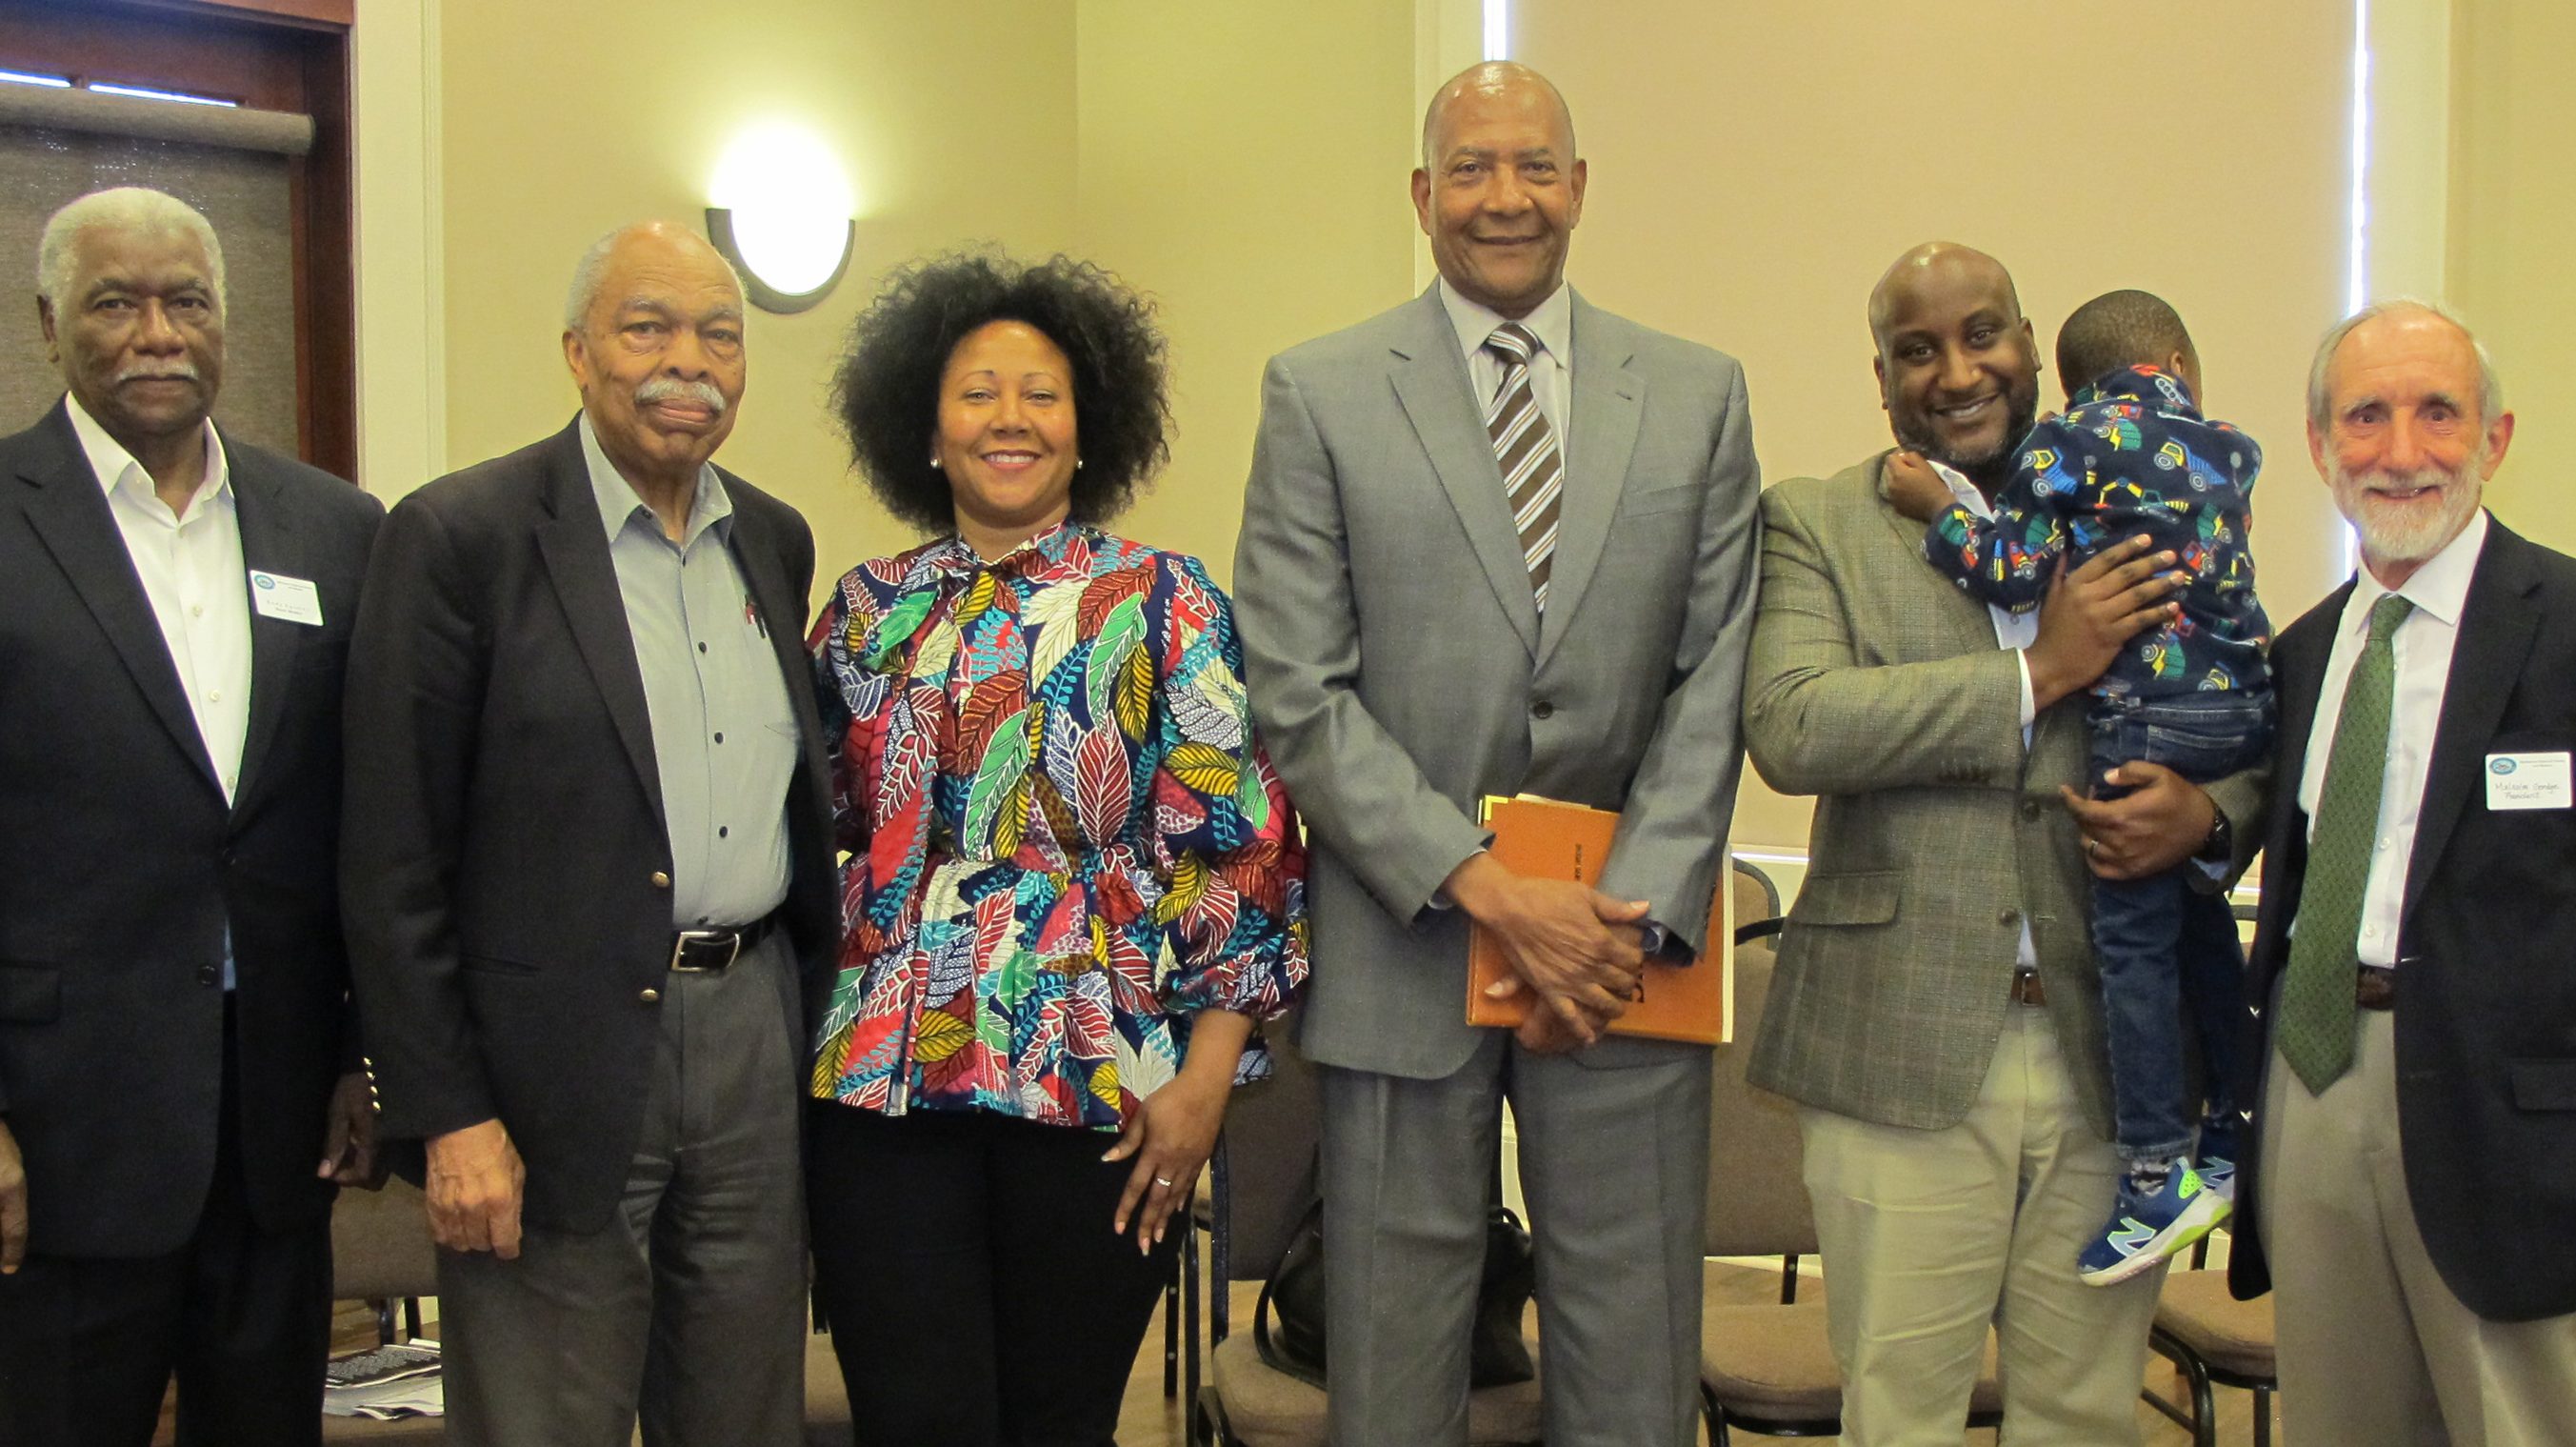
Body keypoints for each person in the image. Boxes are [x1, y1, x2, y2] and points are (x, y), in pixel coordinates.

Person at [1234, 62, 1759, 1446]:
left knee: (1632, 1358)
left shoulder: (1698, 394)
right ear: (1422, 196)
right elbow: (1296, 687)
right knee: (1393, 1369)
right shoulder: (1320, 391)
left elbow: (1715, 675)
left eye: (1533, 166)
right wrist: (1487, 887)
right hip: (1405, 934)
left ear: (1578, 188)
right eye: (1469, 168)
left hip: (1624, 956)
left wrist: (1615, 917)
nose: (1503, 196)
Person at [1741, 242, 2262, 1445]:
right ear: (1881, 378)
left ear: (2030, 344)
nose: (1956, 371)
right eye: (1915, 350)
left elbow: (2240, 695)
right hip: (1895, 1045)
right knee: (1898, 1414)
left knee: (2084, 1414)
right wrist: (2039, 672)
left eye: (1982, 334)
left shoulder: (2138, 487)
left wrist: (2207, 818)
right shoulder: (1817, 520)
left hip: (2114, 1057)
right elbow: (1794, 722)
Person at [342, 220, 836, 1447]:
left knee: (742, 1410)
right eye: (647, 328)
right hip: (544, 1063)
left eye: (719, 335)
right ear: (576, 351)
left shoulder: (771, 537)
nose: (689, 363)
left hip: (750, 1026)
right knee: (545, 1417)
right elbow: (392, 857)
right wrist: (448, 1113)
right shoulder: (461, 537)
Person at [804, 251, 1308, 1447]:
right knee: (911, 1422)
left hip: (1103, 1079)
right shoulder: (866, 610)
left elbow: (1242, 856)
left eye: (1041, 393)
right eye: (977, 392)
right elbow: (809, 826)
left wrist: (1202, 1090)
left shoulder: (1167, 602)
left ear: (1088, 432)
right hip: (880, 1084)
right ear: (926, 431)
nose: (1010, 417)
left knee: (1059, 1422)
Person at [0, 187, 383, 1447]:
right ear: (49, 322)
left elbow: (366, 818)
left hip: (279, 1129)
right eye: (116, 302)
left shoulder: (335, 530)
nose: (157, 332)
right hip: (61, 1134)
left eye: (188, 302)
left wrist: (357, 1052)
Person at [2228, 298, 2576, 1444]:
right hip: (2315, 1077)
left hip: (2511, 1123)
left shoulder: (2565, 625)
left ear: (2494, 438)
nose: (2400, 450)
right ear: (2318, 444)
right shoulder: (2302, 652)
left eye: (2437, 412)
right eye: (2365, 416)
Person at [1881, 290, 2272, 1284]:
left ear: (2060, 377)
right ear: (2178, 364)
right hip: (2239, 708)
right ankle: (2237, 1129)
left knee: (2130, 949)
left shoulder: (2064, 444)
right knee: (2199, 928)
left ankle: (2153, 1174)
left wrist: (1938, 512)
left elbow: (2013, 572)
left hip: (2144, 714)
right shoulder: (2230, 446)